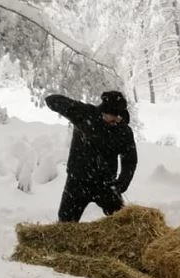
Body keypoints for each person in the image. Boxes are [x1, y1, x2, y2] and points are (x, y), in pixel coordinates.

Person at [45, 91, 137, 222]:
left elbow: (130, 160)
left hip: (106, 184)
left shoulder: (124, 131)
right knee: (66, 223)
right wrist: (66, 104)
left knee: (123, 221)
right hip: (78, 181)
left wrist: (122, 183)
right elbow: (51, 100)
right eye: (112, 116)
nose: (115, 121)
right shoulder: (86, 114)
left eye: (118, 118)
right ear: (103, 112)